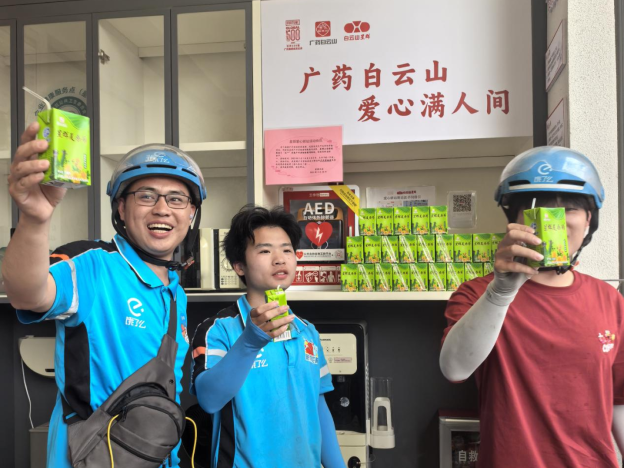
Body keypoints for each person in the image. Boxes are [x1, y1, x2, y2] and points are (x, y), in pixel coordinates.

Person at [2, 122, 206, 468]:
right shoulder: (93, 264)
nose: (162, 208)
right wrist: (34, 220)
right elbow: (28, 294)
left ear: (191, 214)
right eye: (146, 196)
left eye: (176, 198)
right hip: (90, 456)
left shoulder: (176, 292)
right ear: (121, 208)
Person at [439, 146, 624, 467]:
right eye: (535, 209)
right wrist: (500, 293)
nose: (553, 221)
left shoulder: (610, 299)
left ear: (588, 220)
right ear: (514, 221)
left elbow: (618, 400)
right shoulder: (477, 294)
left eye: (569, 208)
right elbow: (454, 369)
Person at [190, 204, 346, 468]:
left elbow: (318, 408)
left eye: (287, 250)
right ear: (239, 266)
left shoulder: (307, 331)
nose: (279, 259)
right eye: (265, 250)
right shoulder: (218, 329)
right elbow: (209, 400)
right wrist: (250, 342)